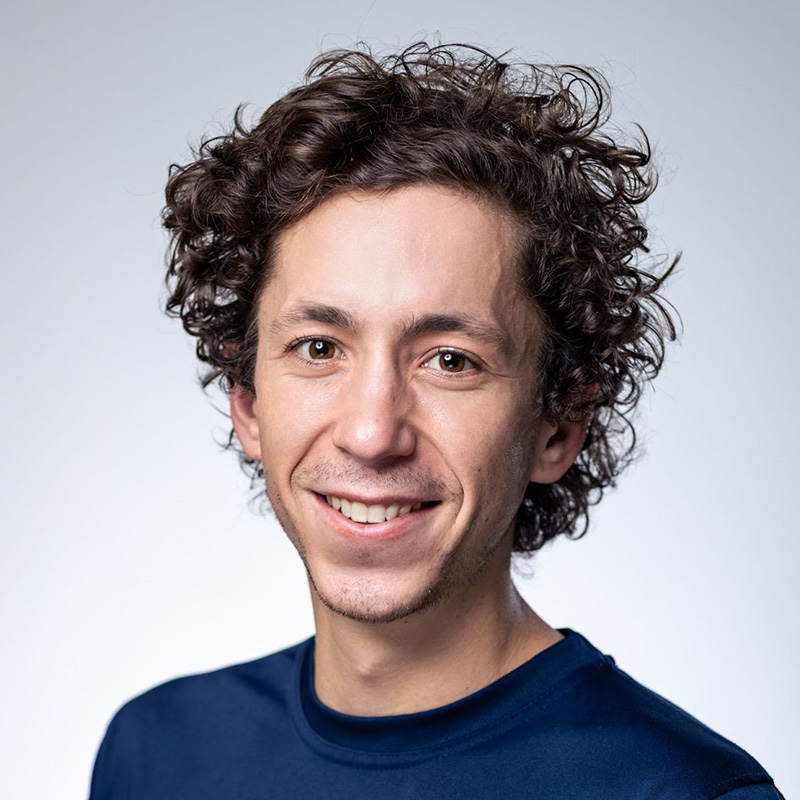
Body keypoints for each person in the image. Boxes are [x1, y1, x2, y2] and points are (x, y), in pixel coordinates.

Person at [89, 42, 783, 799]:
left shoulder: (682, 793)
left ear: (557, 425)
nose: (371, 432)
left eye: (450, 361)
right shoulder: (157, 754)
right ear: (247, 402)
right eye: (319, 347)